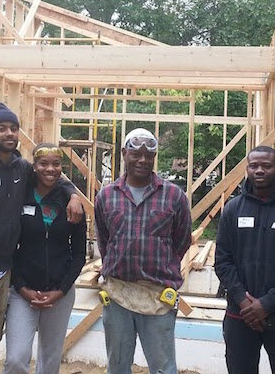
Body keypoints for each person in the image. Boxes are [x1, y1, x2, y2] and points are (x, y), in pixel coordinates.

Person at [0, 103, 83, 374]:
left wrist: (74, 194)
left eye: (13, 128)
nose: (9, 133)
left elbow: (52, 174)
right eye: (1, 128)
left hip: (2, 277)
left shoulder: (20, 169)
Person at [94, 128, 191, 374]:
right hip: (118, 294)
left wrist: (161, 266)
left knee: (163, 368)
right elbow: (105, 241)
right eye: (135, 154)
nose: (142, 160)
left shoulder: (174, 196)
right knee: (117, 366)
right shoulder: (107, 196)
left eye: (149, 155)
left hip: (157, 296)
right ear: (124, 154)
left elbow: (181, 241)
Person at [215, 145, 275, 374]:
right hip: (240, 315)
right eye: (254, 165)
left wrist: (266, 304)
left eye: (266, 166)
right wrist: (243, 301)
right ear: (247, 169)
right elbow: (222, 260)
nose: (259, 170)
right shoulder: (232, 210)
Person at [3, 143, 87, 374]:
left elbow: (79, 254)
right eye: (43, 163)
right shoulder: (22, 196)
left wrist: (61, 290)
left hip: (60, 294)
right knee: (16, 359)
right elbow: (8, 247)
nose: (50, 168)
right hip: (23, 293)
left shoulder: (73, 204)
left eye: (56, 163)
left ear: (62, 167)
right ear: (34, 166)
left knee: (50, 361)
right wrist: (21, 287)